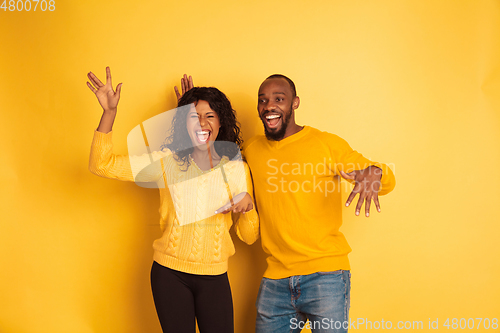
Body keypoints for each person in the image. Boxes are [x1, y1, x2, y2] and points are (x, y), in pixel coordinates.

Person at [176, 73, 396, 332]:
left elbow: (380, 176)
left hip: (326, 277)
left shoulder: (325, 144)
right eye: (263, 100)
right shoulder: (251, 150)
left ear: (295, 103)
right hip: (275, 280)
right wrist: (187, 114)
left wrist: (376, 173)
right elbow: (209, 158)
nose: (269, 105)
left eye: (279, 99)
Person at [86, 67, 259, 333]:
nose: (202, 124)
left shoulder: (236, 169)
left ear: (221, 121)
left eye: (209, 116)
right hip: (169, 274)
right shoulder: (167, 162)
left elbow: (249, 236)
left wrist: (248, 207)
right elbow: (102, 165)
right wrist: (109, 113)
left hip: (214, 276)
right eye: (193, 118)